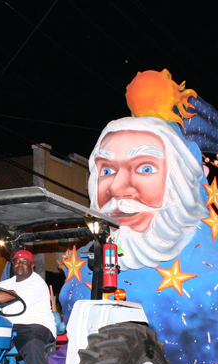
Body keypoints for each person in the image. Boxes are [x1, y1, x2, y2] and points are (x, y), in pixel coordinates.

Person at [88, 116, 208, 270]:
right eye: (107, 171)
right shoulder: (79, 268)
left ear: (180, 179)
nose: (116, 188)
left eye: (145, 168)